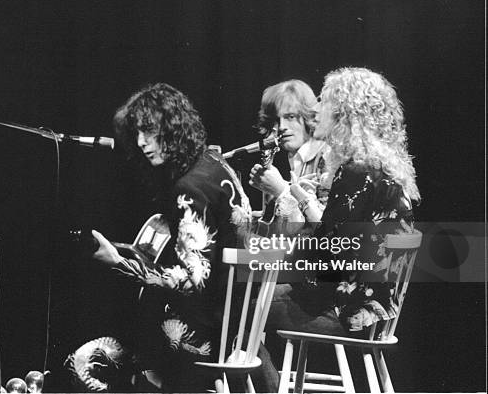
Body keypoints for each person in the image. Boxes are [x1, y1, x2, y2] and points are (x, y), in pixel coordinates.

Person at [86, 83, 278, 392]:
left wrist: (119, 263)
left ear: (172, 129)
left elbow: (194, 281)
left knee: (106, 344)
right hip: (240, 321)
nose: (141, 143)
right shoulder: (215, 164)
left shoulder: (187, 188)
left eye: (149, 132)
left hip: (212, 333)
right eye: (136, 134)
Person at [269, 67, 420, 336]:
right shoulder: (382, 171)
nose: (316, 111)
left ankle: (262, 380)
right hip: (378, 314)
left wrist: (291, 203)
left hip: (348, 312)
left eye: (324, 102)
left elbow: (324, 256)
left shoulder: (356, 173)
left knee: (240, 307)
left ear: (344, 114)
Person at [249, 80, 330, 226]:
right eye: (275, 120)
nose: (281, 127)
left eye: (290, 117)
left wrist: (281, 190)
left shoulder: (327, 157)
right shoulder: (295, 156)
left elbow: (325, 229)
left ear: (309, 116)